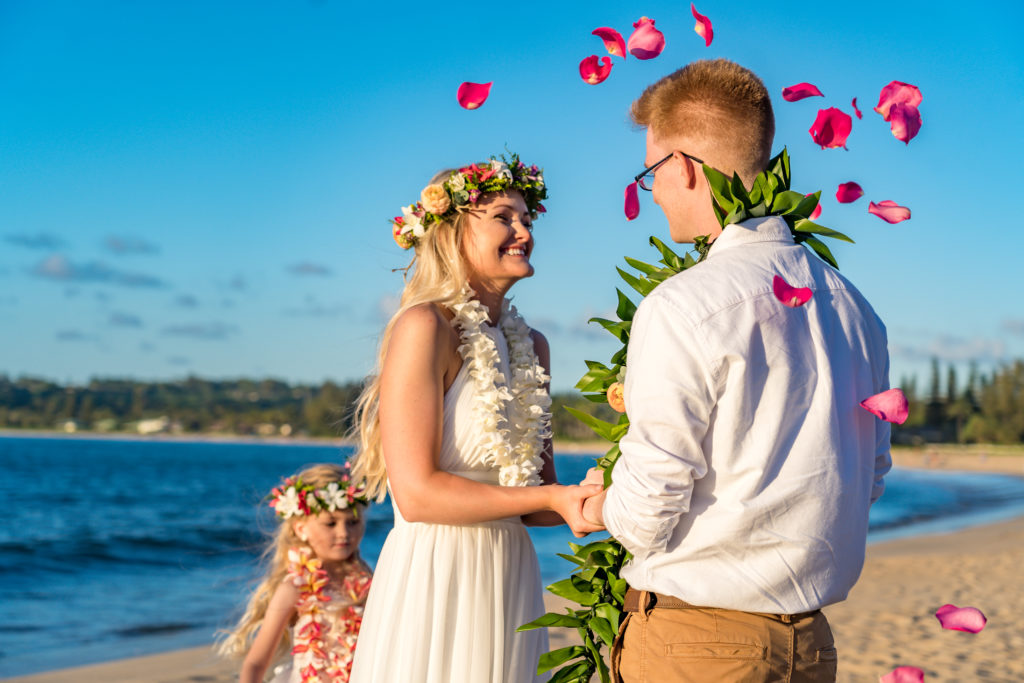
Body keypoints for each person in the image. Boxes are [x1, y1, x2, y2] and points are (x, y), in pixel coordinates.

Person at [580, 59, 892, 682]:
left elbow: (647, 514)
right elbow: (871, 476)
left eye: (651, 176)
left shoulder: (683, 305)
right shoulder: (857, 311)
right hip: (811, 646)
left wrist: (597, 505)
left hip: (698, 646)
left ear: (683, 169)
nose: (655, 194)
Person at [347, 154, 602, 683]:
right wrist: (552, 497)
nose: (523, 232)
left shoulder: (534, 345)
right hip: (437, 575)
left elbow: (537, 502)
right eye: (505, 217)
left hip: (509, 577)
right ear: (452, 233)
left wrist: (600, 493)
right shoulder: (425, 327)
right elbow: (416, 497)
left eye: (527, 220)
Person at [220, 463, 373, 683]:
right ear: (301, 529)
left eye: (353, 522)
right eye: (330, 523)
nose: (344, 533)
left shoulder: (368, 583)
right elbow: (256, 663)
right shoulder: (295, 588)